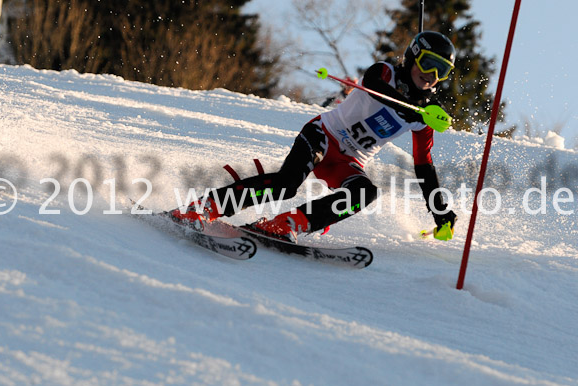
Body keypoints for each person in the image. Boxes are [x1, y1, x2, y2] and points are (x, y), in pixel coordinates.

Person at [171, 31, 458, 243]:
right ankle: (203, 208)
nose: (432, 75)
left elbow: (424, 166)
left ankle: (289, 223)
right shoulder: (386, 74)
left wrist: (440, 212)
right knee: (285, 185)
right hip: (322, 136)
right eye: (428, 63)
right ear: (412, 56)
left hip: (348, 162)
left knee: (365, 192)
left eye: (442, 71)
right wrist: (407, 107)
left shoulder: (425, 116)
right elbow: (371, 83)